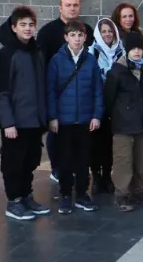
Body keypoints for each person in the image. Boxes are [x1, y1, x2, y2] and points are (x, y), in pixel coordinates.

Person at [0, 7, 49, 221]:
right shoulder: (4, 55)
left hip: (34, 120)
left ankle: (26, 195)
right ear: (14, 27)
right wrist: (8, 123)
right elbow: (1, 92)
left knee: (30, 161)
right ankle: (13, 201)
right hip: (15, 122)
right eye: (23, 25)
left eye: (31, 25)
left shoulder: (36, 52)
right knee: (14, 162)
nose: (27, 28)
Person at [47, 19, 104, 215]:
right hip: (64, 120)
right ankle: (65, 195)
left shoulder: (90, 60)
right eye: (73, 35)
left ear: (85, 37)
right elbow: (51, 91)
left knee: (83, 160)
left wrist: (97, 115)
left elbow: (98, 90)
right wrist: (53, 117)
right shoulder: (57, 60)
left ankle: (81, 194)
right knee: (65, 160)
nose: (77, 39)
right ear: (66, 37)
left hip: (85, 119)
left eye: (80, 35)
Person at [37, 0, 95, 183]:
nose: (72, 8)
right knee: (56, 132)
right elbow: (41, 63)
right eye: (68, 5)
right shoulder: (47, 32)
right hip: (58, 91)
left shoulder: (87, 29)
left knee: (78, 136)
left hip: (81, 94)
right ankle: (57, 168)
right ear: (60, 7)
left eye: (75, 5)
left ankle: (78, 170)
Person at [105, 32, 143, 212]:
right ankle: (122, 194)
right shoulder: (117, 71)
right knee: (123, 161)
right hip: (123, 124)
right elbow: (109, 98)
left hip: (141, 123)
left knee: (139, 160)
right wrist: (117, 116)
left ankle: (139, 189)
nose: (136, 52)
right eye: (133, 48)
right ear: (126, 50)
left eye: (139, 48)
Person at [88, 18, 122, 195]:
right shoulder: (91, 52)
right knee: (95, 143)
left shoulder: (121, 51)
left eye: (110, 31)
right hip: (96, 104)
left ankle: (107, 176)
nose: (108, 34)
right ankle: (96, 176)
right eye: (104, 31)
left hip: (115, 105)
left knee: (110, 144)